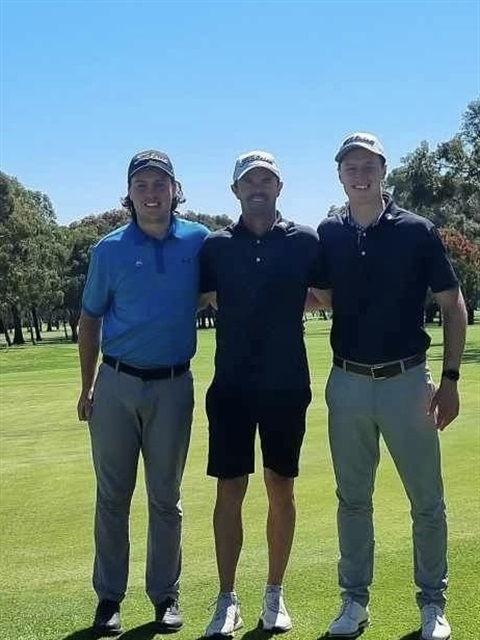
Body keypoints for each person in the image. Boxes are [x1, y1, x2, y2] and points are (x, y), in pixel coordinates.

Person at [315, 133, 467, 640]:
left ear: (383, 170)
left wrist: (449, 380)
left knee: (426, 500)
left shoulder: (417, 231)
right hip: (348, 382)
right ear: (339, 175)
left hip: (407, 382)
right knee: (352, 500)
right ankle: (354, 603)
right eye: (350, 167)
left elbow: (453, 305)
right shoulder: (328, 232)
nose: (359, 174)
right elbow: (324, 296)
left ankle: (432, 605)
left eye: (367, 165)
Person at [77, 150, 209, 635]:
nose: (151, 193)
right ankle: (110, 598)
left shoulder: (199, 240)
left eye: (160, 183)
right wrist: (87, 386)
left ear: (175, 189)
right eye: (142, 185)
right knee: (112, 497)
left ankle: (165, 595)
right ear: (129, 194)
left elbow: (222, 292)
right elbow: (89, 320)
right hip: (115, 383)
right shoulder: (108, 249)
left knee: (166, 498)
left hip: (173, 385)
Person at [199, 150, 330, 637]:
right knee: (229, 488)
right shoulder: (215, 246)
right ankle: (226, 598)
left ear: (279, 187)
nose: (258, 187)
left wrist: (280, 304)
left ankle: (274, 593)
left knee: (281, 486)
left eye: (266, 180)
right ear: (235, 190)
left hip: (286, 384)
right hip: (231, 385)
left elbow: (325, 296)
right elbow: (200, 296)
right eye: (249, 181)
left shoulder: (305, 241)